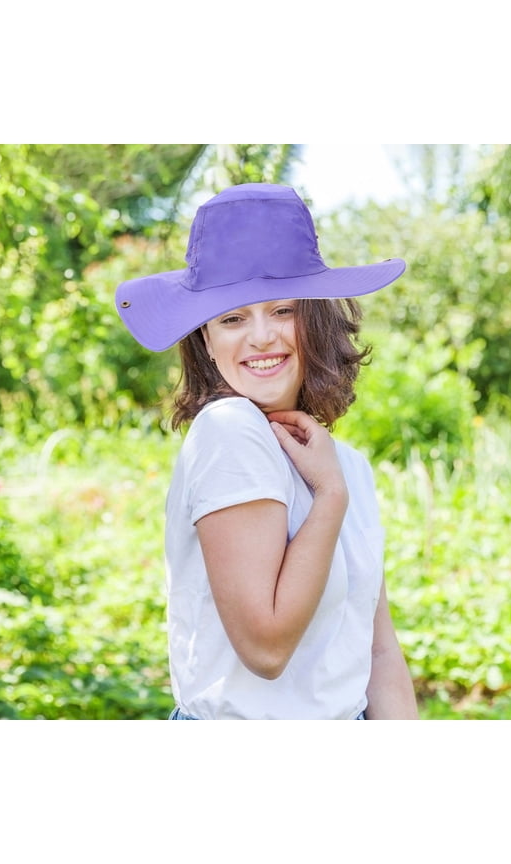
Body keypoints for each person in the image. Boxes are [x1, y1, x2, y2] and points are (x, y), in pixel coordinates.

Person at [116, 182, 419, 720]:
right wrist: (327, 498)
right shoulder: (230, 430)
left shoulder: (344, 462)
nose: (260, 336)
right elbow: (266, 647)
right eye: (232, 318)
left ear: (317, 319)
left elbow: (377, 651)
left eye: (282, 310)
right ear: (206, 338)